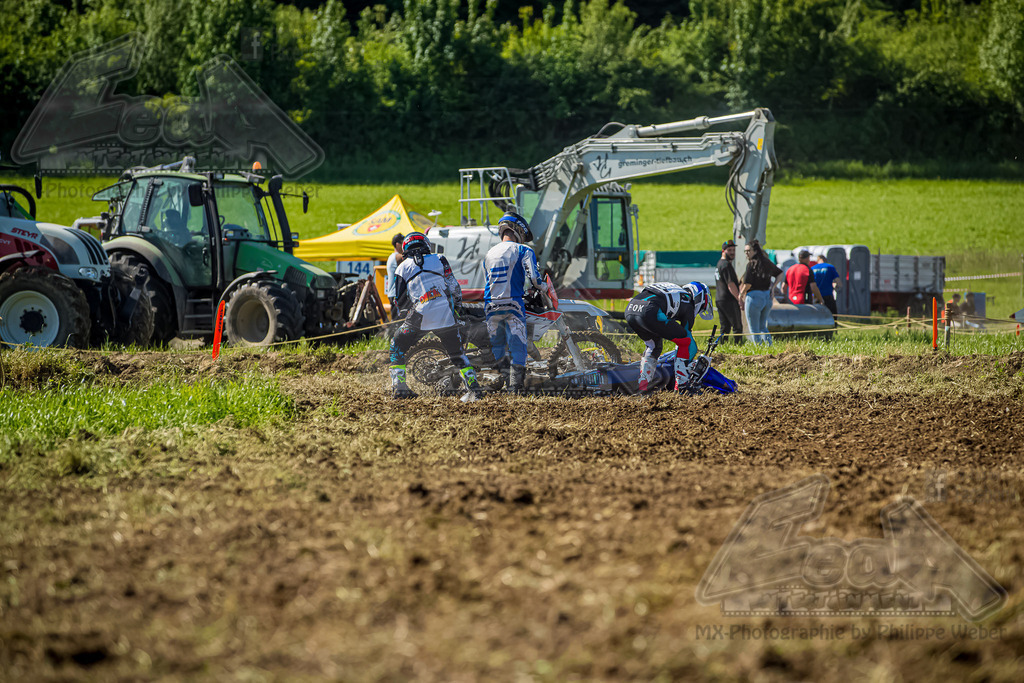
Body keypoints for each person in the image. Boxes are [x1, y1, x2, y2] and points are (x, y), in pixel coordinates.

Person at [389, 232, 482, 400]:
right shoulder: (440, 259)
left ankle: (400, 387)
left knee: (397, 345)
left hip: (419, 316)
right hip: (445, 314)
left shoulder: (401, 267)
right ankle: (474, 388)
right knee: (457, 353)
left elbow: (399, 301)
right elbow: (454, 287)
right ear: (426, 245)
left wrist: (407, 312)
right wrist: (457, 309)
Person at [483, 211, 551, 393]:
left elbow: (487, 280)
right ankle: (515, 387)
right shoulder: (523, 250)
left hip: (490, 304)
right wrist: (546, 288)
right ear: (518, 230)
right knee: (518, 343)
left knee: (498, 344)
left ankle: (502, 381)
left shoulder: (489, 253)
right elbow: (535, 279)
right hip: (512, 303)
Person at [624, 281, 714, 394]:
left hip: (630, 309)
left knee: (654, 346)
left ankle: (643, 387)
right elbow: (687, 337)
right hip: (650, 311)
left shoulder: (676, 290)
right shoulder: (688, 301)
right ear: (700, 297)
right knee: (685, 342)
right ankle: (682, 387)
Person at [738, 240, 783, 345]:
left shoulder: (751, 264)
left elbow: (748, 284)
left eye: (749, 251)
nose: (746, 253)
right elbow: (780, 274)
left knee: (753, 328)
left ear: (755, 251)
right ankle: (769, 346)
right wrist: (773, 287)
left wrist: (741, 294)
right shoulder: (766, 262)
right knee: (763, 326)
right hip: (767, 296)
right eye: (745, 251)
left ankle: (758, 349)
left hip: (754, 297)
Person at [715, 239, 744, 344]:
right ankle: (738, 346)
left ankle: (722, 345)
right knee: (737, 326)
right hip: (728, 300)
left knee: (725, 327)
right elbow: (730, 285)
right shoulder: (726, 265)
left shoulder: (719, 264)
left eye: (733, 250)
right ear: (723, 251)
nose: (732, 252)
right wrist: (739, 299)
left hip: (719, 299)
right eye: (729, 250)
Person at [811, 251, 841, 315]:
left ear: (817, 260)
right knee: (832, 315)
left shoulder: (812, 268)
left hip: (816, 296)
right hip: (828, 295)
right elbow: (838, 282)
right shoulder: (830, 267)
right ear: (825, 260)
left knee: (817, 315)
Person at [385, 232, 405, 316]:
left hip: (394, 294)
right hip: (395, 293)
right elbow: (408, 257)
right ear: (397, 244)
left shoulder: (392, 256)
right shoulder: (396, 257)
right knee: (398, 321)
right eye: (403, 243)